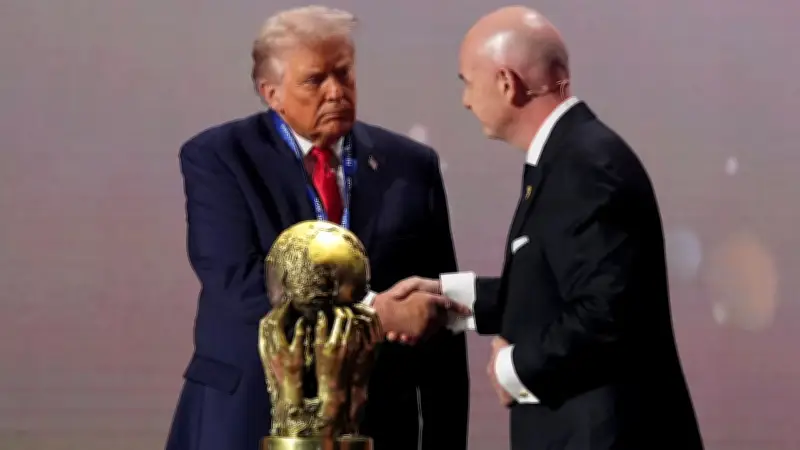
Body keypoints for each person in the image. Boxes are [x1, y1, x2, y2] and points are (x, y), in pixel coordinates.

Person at [165, 6, 469, 450]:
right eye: (315, 80)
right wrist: (374, 314)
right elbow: (239, 285)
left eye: (344, 74)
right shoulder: (220, 158)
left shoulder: (410, 166)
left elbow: (440, 311)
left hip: (377, 420)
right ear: (271, 93)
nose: (336, 92)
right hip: (250, 416)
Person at [402, 6, 704, 449]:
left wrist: (512, 369)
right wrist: (448, 299)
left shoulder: (585, 165)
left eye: (467, 82)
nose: (465, 100)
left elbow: (604, 314)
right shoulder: (569, 155)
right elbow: (554, 288)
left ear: (506, 83)